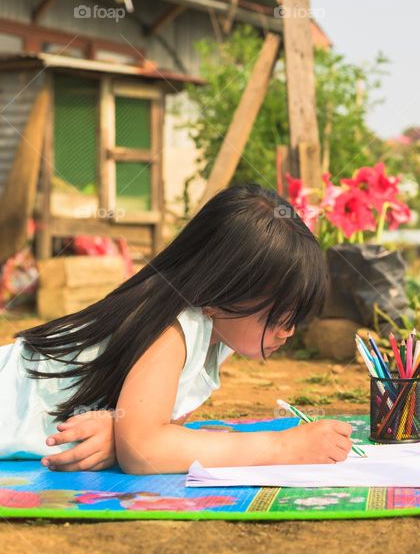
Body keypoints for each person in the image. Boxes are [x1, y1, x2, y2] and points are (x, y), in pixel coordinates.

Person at [0, 184, 354, 474]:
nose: (287, 332)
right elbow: (144, 451)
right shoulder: (173, 330)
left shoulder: (217, 331)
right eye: (275, 318)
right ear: (219, 292)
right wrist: (282, 446)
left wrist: (123, 432)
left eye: (292, 318)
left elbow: (155, 428)